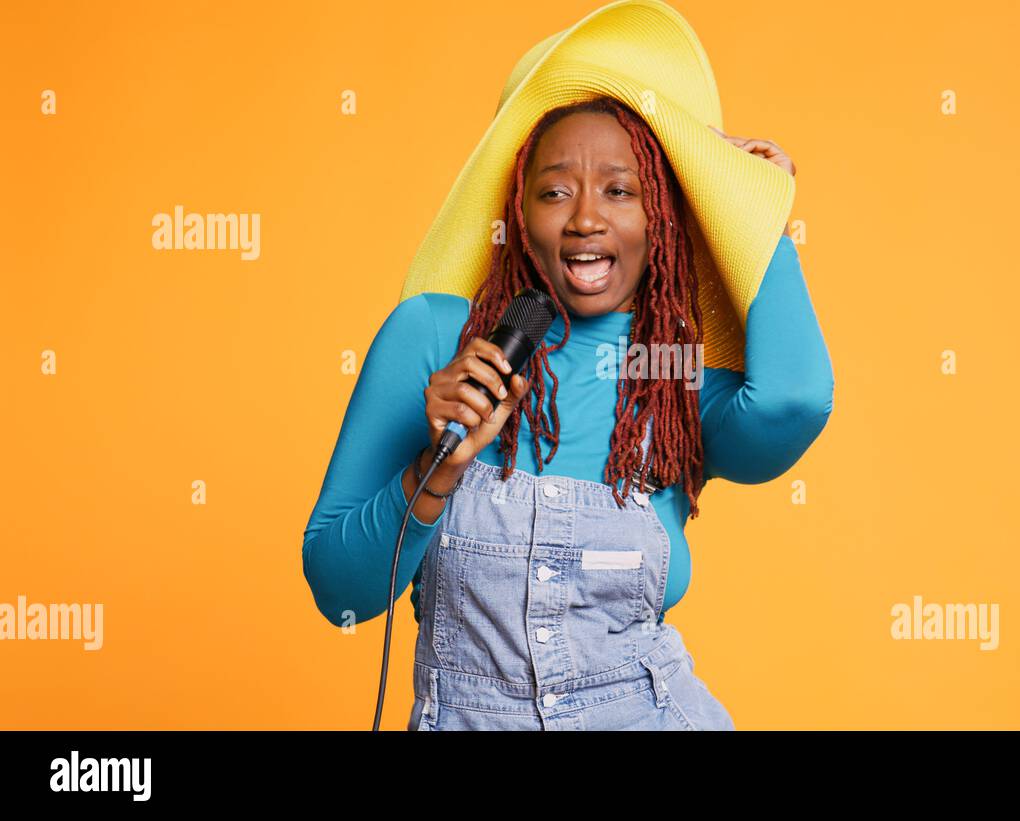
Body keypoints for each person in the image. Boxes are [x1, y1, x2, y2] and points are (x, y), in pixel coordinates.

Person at [302, 0, 833, 730]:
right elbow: (341, 593)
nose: (586, 217)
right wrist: (437, 468)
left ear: (662, 219)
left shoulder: (665, 370)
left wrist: (754, 209)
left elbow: (794, 403)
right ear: (519, 210)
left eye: (621, 190)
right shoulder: (436, 337)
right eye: (556, 190)